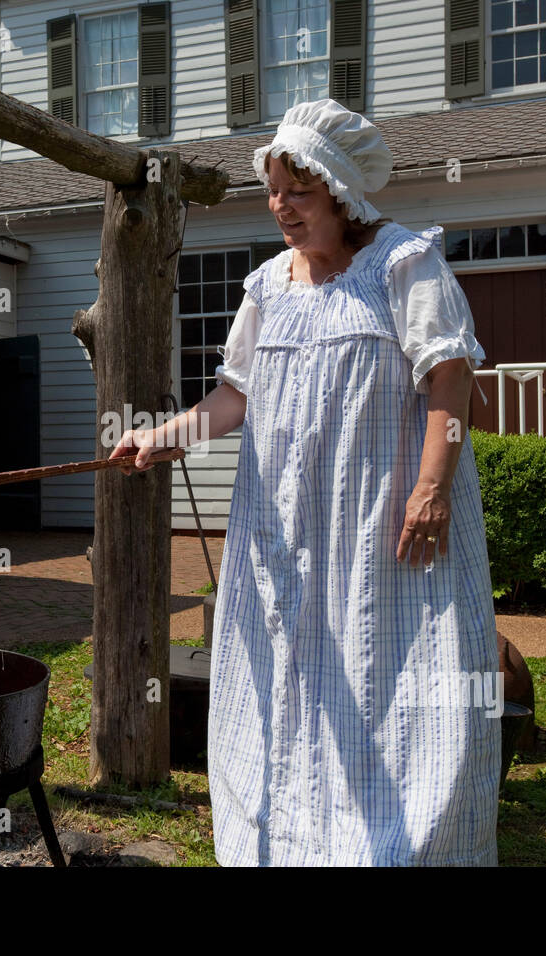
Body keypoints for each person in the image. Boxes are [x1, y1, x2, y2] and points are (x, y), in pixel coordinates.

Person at [109, 99, 502, 865]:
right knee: (292, 676)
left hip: (383, 523)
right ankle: (296, 841)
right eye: (275, 190)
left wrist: (430, 489)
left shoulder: (402, 263)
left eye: (299, 191)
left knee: (396, 675)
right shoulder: (267, 289)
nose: (281, 206)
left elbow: (449, 380)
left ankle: (398, 846)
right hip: (285, 528)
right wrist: (162, 439)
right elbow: (234, 398)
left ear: (341, 193)